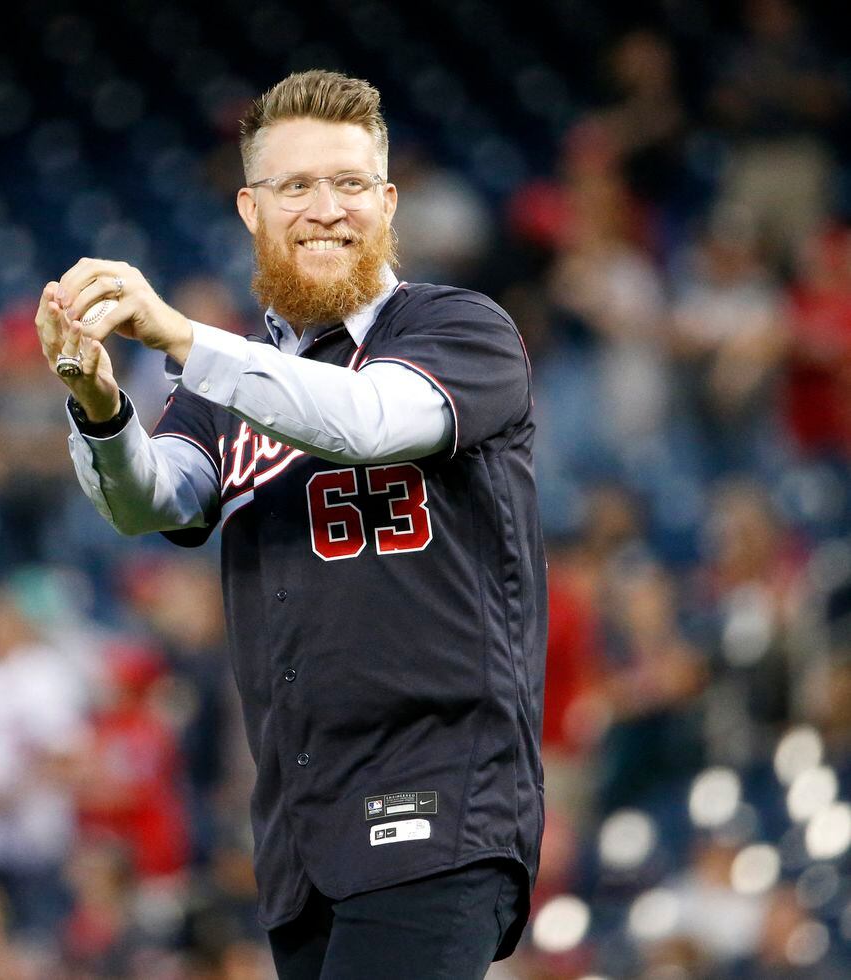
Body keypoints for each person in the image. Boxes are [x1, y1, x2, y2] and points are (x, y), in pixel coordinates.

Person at [35, 70, 547, 978]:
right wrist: (101, 406)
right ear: (249, 208)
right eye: (295, 185)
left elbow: (364, 420)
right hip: (302, 822)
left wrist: (181, 338)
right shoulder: (230, 385)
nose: (325, 209)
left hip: (440, 792)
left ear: (388, 202)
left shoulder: (461, 328)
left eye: (350, 183)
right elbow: (150, 498)